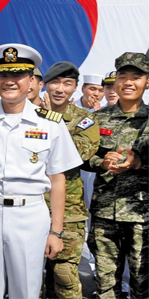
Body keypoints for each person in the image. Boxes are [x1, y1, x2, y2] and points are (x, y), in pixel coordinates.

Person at [0, 43, 82, 299]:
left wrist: (56, 231)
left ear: (31, 81)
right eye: (4, 75)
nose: (10, 82)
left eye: (17, 76)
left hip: (30, 215)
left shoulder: (50, 124)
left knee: (25, 290)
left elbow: (58, 180)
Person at [85, 52, 149, 299]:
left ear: (146, 82)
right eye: (123, 76)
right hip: (104, 216)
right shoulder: (96, 119)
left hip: (142, 218)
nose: (129, 83)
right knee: (106, 286)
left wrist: (138, 164)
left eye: (137, 77)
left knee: (143, 286)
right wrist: (102, 162)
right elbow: (81, 156)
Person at [41, 61, 100, 298]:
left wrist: (51, 119)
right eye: (55, 82)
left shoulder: (85, 120)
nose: (60, 89)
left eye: (67, 84)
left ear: (75, 88)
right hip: (31, 210)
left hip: (68, 214)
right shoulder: (27, 117)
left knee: (65, 280)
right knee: (29, 281)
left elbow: (73, 155)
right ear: (45, 85)